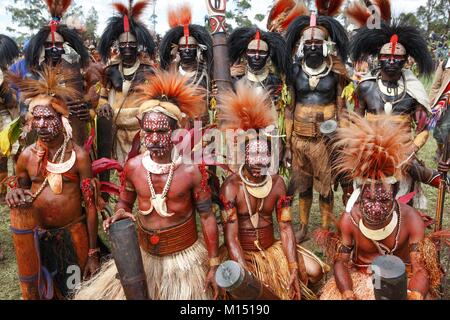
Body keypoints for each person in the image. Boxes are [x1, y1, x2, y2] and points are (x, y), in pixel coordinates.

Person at [74, 69, 220, 300]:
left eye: (161, 131)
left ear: (175, 132)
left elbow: (207, 217)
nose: (153, 138)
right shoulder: (133, 166)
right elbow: (124, 200)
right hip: (145, 256)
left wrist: (213, 264)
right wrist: (120, 212)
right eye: (148, 131)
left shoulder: (191, 171)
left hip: (184, 260)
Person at [218, 81, 328, 300]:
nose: (259, 162)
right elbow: (231, 238)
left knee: (314, 272)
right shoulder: (231, 187)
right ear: (244, 155)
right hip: (244, 255)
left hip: (271, 248)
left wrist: (293, 267)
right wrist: (244, 273)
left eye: (264, 155)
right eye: (254, 155)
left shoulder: (277, 184)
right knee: (255, 288)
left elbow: (286, 228)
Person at [320, 114, 444, 300]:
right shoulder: (350, 219)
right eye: (369, 199)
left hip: (403, 280)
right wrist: (347, 292)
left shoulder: (410, 219)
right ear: (360, 195)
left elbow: (420, 268)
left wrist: (415, 295)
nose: (376, 208)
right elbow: (341, 262)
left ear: (395, 195)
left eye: (384, 201)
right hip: (361, 277)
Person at [6, 65, 100, 299]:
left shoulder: (78, 156)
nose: (42, 124)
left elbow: (90, 206)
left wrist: (92, 253)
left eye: (48, 117)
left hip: (73, 235)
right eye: (36, 118)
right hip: (39, 239)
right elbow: (20, 189)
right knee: (45, 291)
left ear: (61, 118)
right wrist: (14, 193)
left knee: (75, 289)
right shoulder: (26, 156)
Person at [348, 0, 435, 209]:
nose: (392, 61)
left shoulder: (413, 92)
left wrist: (410, 150)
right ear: (379, 58)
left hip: (402, 158)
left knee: (400, 205)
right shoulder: (365, 87)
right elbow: (356, 122)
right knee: (369, 205)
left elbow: (424, 128)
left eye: (398, 58)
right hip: (370, 157)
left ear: (406, 61)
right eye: (387, 57)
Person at [284, 0, 350, 242]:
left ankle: (324, 228)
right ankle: (302, 226)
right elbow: (290, 109)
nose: (312, 47)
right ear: (302, 46)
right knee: (302, 185)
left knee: (325, 185)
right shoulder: (294, 71)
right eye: (308, 43)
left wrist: (341, 139)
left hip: (325, 140)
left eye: (317, 43)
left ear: (325, 45)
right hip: (299, 138)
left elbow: (342, 107)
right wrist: (288, 143)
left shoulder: (337, 71)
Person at [24, 0, 92, 147]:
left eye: (59, 45)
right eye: (49, 45)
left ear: (67, 47)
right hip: (44, 136)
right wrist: (57, 104)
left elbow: (91, 100)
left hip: (74, 135)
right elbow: (27, 109)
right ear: (42, 48)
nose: (54, 49)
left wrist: (88, 111)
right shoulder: (34, 74)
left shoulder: (79, 72)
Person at [96, 0, 156, 164]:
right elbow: (102, 96)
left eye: (131, 43)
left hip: (141, 132)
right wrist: (103, 106)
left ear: (138, 46)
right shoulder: (110, 70)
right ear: (118, 46)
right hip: (118, 132)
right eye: (123, 44)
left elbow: (156, 100)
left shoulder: (149, 71)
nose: (127, 47)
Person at [227, 27, 292, 138]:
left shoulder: (277, 83)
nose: (256, 56)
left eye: (261, 52)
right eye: (252, 52)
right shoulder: (236, 82)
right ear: (245, 54)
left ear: (268, 56)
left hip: (271, 138)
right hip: (242, 140)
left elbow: (284, 113)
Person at [159, 3, 213, 126]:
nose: (187, 49)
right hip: (177, 128)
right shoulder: (169, 75)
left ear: (198, 49)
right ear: (177, 49)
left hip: (201, 128)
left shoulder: (207, 74)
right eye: (183, 46)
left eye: (191, 46)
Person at [429, 55, 450, 160]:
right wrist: (432, 102)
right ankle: (440, 149)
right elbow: (436, 86)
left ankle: (447, 153)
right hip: (444, 102)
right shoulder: (445, 64)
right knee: (440, 130)